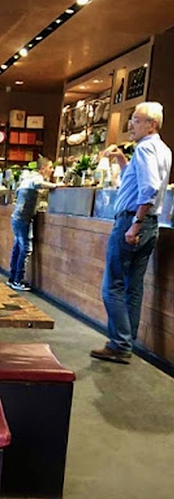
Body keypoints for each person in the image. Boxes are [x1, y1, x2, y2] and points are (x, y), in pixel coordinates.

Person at [91, 102, 172, 364]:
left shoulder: (146, 148)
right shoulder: (163, 149)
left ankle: (120, 343)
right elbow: (136, 181)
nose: (130, 125)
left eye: (136, 120)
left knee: (112, 287)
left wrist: (135, 224)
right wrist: (121, 160)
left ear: (152, 124)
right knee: (133, 287)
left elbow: (148, 188)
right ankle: (127, 342)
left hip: (132, 221)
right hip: (151, 224)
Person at [6, 157, 57, 291]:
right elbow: (37, 184)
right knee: (25, 249)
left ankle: (12, 278)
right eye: (50, 167)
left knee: (18, 248)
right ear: (43, 169)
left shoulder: (27, 178)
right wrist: (55, 185)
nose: (52, 170)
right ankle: (17, 281)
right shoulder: (36, 178)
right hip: (23, 219)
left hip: (17, 218)